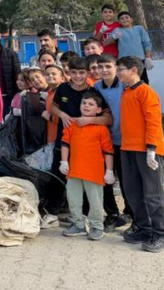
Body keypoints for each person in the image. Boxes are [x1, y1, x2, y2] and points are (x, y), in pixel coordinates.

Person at [46, 57, 112, 227]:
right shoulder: (62, 88)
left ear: (87, 73)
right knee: (57, 175)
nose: (77, 76)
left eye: (81, 72)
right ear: (68, 73)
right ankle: (52, 213)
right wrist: (62, 115)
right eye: (73, 72)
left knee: (88, 180)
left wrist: (88, 120)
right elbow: (53, 107)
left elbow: (108, 118)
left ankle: (90, 217)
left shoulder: (94, 92)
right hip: (65, 141)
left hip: (87, 147)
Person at [117, 56, 164, 252]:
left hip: (147, 150)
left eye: (120, 69)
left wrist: (152, 148)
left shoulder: (146, 91)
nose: (118, 72)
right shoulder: (127, 92)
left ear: (133, 70)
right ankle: (145, 228)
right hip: (128, 149)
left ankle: (162, 235)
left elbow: (154, 120)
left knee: (153, 194)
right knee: (133, 192)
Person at [60, 91, 115, 241]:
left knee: (96, 201)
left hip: (94, 172)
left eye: (91, 104)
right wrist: (63, 161)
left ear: (98, 110)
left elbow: (108, 151)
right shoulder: (72, 125)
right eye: (84, 103)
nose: (86, 106)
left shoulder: (101, 129)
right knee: (73, 199)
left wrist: (109, 171)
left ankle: (97, 227)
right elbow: (65, 143)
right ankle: (78, 225)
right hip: (74, 171)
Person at [93, 54, 133, 229]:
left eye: (108, 66)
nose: (104, 70)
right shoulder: (95, 87)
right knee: (104, 179)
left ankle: (131, 212)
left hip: (125, 141)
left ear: (116, 67)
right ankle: (111, 213)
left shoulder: (125, 85)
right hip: (104, 142)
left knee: (126, 179)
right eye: (101, 67)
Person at [107, 11, 154, 84]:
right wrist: (113, 36)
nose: (125, 19)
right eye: (122, 18)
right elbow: (106, 43)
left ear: (131, 19)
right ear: (119, 21)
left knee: (143, 82)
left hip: (139, 60)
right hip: (124, 62)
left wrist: (148, 58)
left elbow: (147, 44)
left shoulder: (139, 29)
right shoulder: (118, 30)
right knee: (126, 83)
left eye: (126, 17)